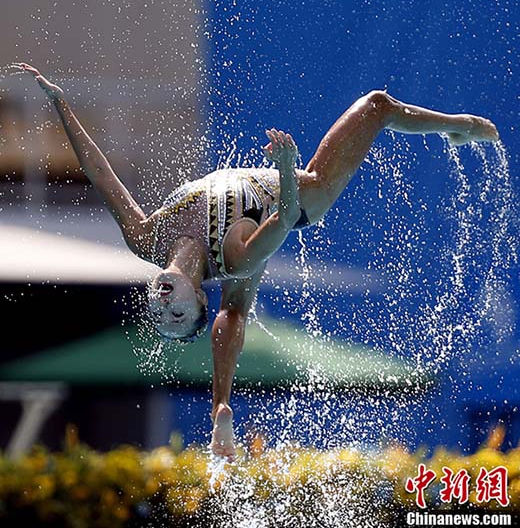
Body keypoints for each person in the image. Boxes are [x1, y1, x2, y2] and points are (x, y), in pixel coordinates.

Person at [14, 62, 499, 461]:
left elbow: (100, 176)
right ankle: (462, 127)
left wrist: (60, 104)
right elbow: (286, 215)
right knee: (376, 106)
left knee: (237, 307)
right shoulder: (237, 256)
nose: (164, 306)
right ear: (195, 296)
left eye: (159, 316)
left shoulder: (146, 239)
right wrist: (288, 169)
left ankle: (219, 411)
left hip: (250, 222)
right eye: (178, 315)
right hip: (300, 196)